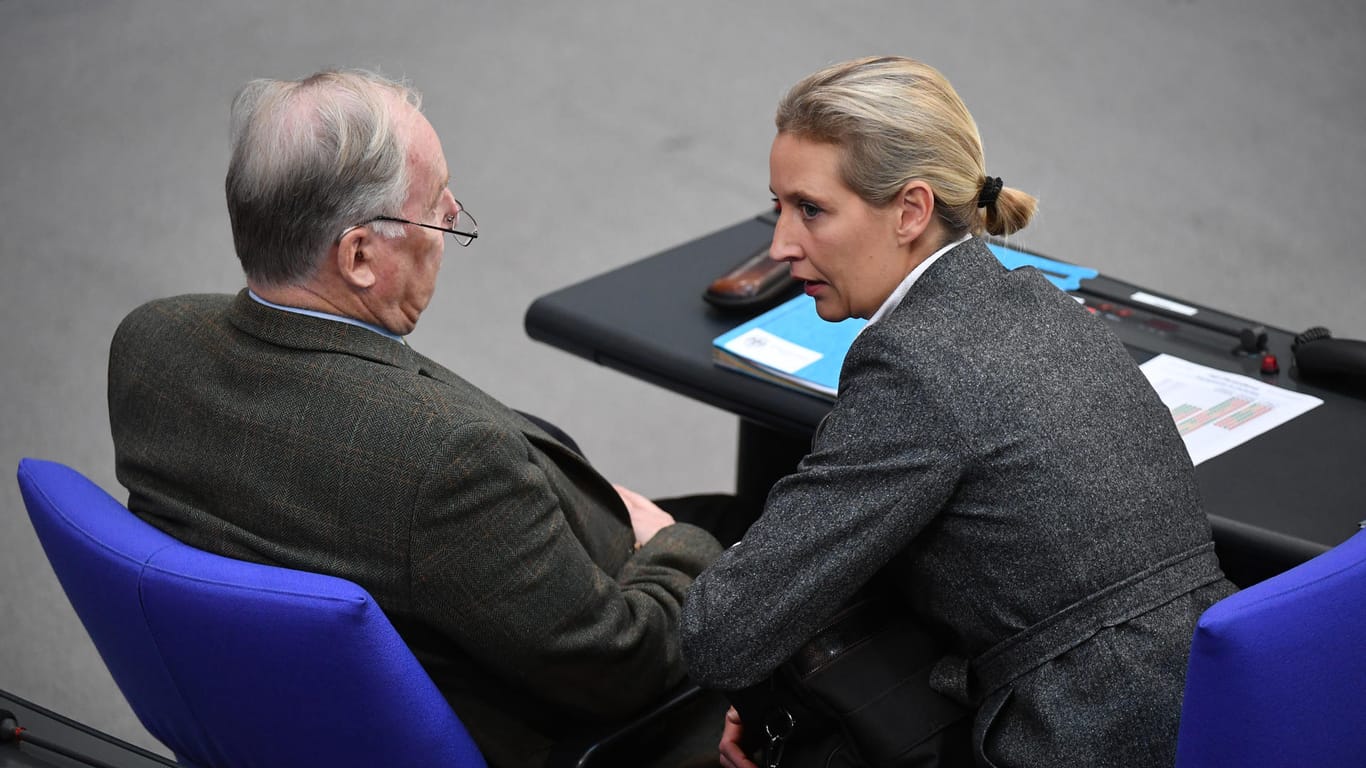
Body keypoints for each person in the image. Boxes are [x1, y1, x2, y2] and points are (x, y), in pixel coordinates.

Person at [107, 69, 736, 768]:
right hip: (557, 709)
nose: (448, 225)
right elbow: (619, 667)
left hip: (307, 696)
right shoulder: (446, 462)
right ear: (359, 256)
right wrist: (678, 546)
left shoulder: (150, 344)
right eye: (437, 211)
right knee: (769, 549)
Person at [679, 56, 1236, 768]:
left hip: (1075, 739)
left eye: (811, 210)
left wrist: (663, 540)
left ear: (910, 210)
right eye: (778, 207)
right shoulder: (1043, 304)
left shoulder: (913, 367)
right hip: (1206, 708)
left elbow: (721, 635)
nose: (782, 244)